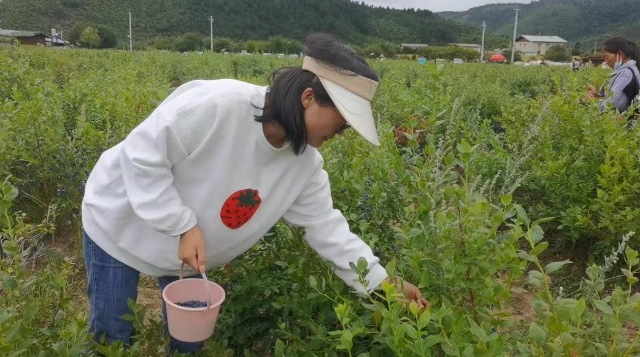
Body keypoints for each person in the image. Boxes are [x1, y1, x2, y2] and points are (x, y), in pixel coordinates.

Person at [81, 33, 427, 355]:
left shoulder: (304, 165)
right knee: (113, 338)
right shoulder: (221, 105)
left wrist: (385, 285)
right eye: (342, 119)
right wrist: (182, 225)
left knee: (188, 343)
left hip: (186, 252)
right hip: (120, 224)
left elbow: (329, 231)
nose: (344, 130)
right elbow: (141, 156)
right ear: (309, 98)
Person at [586, 37, 640, 114]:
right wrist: (597, 96)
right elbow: (616, 98)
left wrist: (593, 102)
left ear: (619, 54)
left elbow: (615, 105)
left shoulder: (626, 74)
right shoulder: (625, 71)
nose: (606, 61)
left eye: (607, 57)